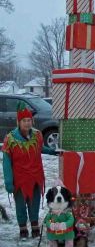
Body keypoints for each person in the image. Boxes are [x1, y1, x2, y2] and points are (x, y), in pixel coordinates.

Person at [2, 101, 57, 239]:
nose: (27, 123)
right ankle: (23, 228)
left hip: (35, 177)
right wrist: (9, 181)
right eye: (24, 121)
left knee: (35, 203)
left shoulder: (37, 135)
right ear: (19, 122)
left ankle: (34, 226)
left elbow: (40, 148)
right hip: (19, 179)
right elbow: (7, 162)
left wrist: (52, 151)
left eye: (29, 120)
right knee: (20, 205)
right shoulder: (10, 139)